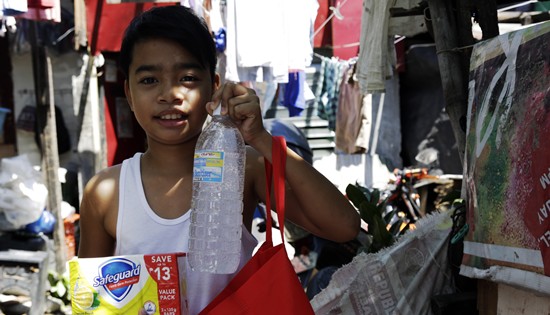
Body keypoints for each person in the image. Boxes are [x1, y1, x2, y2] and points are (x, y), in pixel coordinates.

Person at [77, 5, 360, 314]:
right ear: (128, 93)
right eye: (149, 80)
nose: (170, 93)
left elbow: (344, 226)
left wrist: (261, 139)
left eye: (186, 77)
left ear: (213, 87)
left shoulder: (242, 167)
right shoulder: (105, 192)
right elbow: (92, 303)